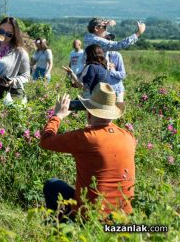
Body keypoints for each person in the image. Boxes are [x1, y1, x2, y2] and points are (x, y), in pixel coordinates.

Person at [39, 83, 135, 219]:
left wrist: (57, 116)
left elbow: (45, 141)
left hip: (92, 216)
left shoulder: (86, 137)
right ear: (113, 114)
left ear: (89, 113)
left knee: (52, 185)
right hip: (124, 217)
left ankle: (59, 229)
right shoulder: (128, 137)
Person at [75, 17, 146, 74]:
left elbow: (104, 35)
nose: (106, 30)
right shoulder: (96, 40)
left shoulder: (88, 37)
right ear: (96, 28)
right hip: (96, 73)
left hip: (91, 71)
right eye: (104, 27)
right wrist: (138, 33)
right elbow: (118, 45)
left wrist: (106, 23)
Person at [0, 17, 30, 102]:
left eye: (9, 34)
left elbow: (26, 76)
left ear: (14, 35)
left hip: (6, 93)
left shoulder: (20, 52)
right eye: (1, 31)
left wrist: (13, 81)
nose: (4, 36)